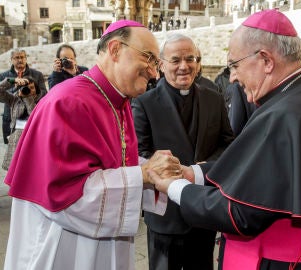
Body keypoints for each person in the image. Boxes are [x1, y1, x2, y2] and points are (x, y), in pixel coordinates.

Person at [147, 9, 301, 270]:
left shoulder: (285, 113)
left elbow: (240, 213)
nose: (232, 77)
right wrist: (194, 174)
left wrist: (173, 187)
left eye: (234, 65)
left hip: (278, 261)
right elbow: (254, 168)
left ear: (265, 60)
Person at [3, 20, 182, 270]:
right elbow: (66, 195)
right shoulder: (68, 102)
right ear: (116, 49)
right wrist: (143, 174)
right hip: (63, 247)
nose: (155, 73)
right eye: (149, 59)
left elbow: (111, 163)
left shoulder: (117, 101)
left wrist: (150, 167)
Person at [132, 33, 234, 270]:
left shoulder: (214, 98)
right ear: (161, 64)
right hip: (166, 214)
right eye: (175, 60)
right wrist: (171, 172)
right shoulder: (145, 103)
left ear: (198, 62)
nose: (184, 66)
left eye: (190, 59)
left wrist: (199, 170)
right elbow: (140, 153)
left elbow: (228, 145)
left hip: (203, 211)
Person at [0, 48, 47, 144]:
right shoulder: (4, 76)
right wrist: (15, 88)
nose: (20, 60)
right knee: (11, 150)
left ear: (26, 58)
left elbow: (44, 93)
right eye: (17, 58)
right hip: (10, 117)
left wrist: (31, 95)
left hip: (32, 116)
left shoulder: (37, 74)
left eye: (22, 57)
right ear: (11, 59)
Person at [0, 76, 43, 170]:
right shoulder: (14, 100)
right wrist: (11, 81)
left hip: (33, 142)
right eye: (26, 88)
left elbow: (33, 115)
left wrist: (27, 98)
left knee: (31, 170)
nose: (29, 90)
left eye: (32, 88)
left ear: (36, 89)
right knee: (15, 172)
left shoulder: (42, 102)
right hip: (16, 140)